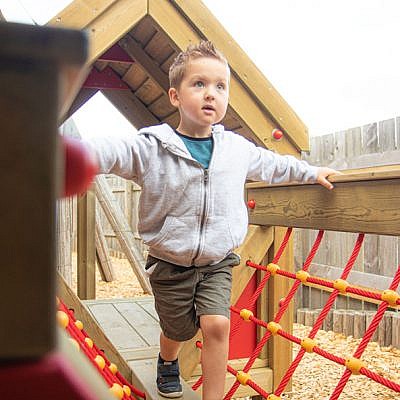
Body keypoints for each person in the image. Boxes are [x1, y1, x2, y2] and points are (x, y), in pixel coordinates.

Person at [84, 41, 339, 400]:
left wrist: (311, 172)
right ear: (175, 96)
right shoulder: (153, 147)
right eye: (199, 84)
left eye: (220, 87)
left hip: (218, 260)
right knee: (179, 330)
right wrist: (74, 153)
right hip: (169, 262)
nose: (211, 94)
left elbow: (274, 165)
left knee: (217, 325)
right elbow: (112, 151)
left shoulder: (236, 149)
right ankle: (167, 358)